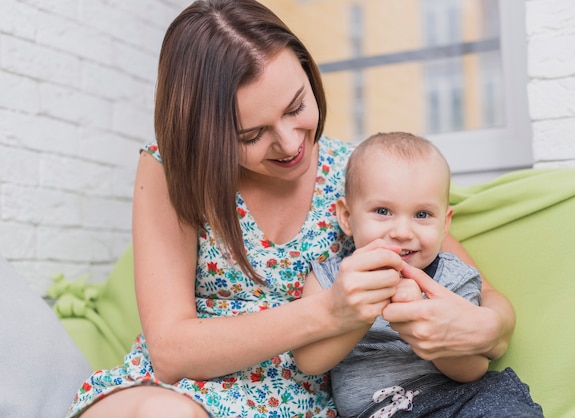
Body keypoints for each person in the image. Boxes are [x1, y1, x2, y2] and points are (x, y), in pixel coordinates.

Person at [66, 1, 516, 417]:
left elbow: (478, 290)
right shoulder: (171, 168)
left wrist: (487, 331)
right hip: (179, 388)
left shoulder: (360, 176)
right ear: (204, 135)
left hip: (296, 402)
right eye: (251, 134)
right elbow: (170, 350)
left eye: (298, 105)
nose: (289, 143)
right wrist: (330, 312)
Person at [292, 132, 543, 417]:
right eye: (383, 211)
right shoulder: (329, 278)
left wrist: (431, 338)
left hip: (462, 400)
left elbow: (474, 370)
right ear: (347, 218)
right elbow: (309, 360)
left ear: (445, 224)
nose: (402, 232)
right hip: (381, 412)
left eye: (422, 215)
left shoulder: (452, 278)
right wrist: (364, 310)